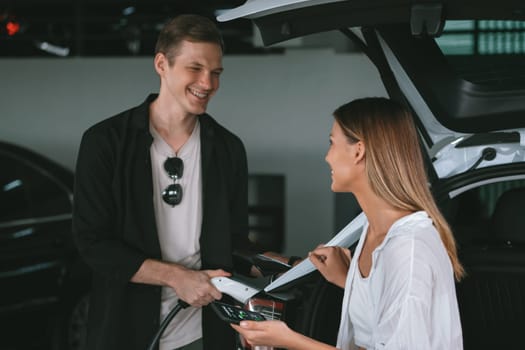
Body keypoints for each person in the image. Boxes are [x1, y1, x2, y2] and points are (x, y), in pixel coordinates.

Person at [73, 14, 256, 350]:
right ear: (162, 64)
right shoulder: (104, 142)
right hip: (123, 328)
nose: (208, 83)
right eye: (195, 68)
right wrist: (176, 277)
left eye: (216, 72)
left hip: (203, 332)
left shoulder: (229, 149)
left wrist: (279, 270)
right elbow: (92, 244)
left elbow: (235, 244)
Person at [232, 97, 464, 350]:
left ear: (358, 151)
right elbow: (383, 318)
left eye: (332, 143)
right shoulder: (373, 229)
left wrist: (289, 340)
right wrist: (348, 279)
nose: (327, 157)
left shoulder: (408, 249)